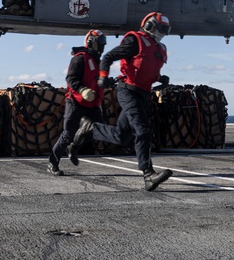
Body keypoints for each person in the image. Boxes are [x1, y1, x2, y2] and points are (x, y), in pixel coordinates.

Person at [70, 12, 173, 191]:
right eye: (161, 29)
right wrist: (103, 77)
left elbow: (146, 69)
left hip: (142, 94)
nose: (163, 33)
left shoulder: (159, 48)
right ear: (149, 26)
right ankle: (148, 174)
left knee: (121, 136)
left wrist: (160, 78)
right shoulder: (135, 41)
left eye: (166, 30)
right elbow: (108, 57)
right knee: (143, 130)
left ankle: (90, 128)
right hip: (128, 91)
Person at [47, 30, 107, 176]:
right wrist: (82, 90)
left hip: (92, 104)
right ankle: (52, 163)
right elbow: (71, 79)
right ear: (92, 42)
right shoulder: (80, 59)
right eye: (100, 44)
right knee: (68, 134)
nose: (102, 47)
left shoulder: (98, 62)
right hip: (76, 102)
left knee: (99, 130)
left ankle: (74, 147)